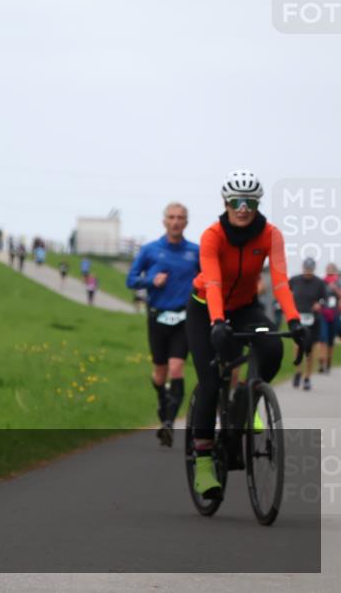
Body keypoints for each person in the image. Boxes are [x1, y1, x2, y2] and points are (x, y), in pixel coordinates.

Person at [185, 169, 303, 500]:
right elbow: (213, 282)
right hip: (204, 306)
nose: (242, 208)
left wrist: (294, 321)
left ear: (257, 204)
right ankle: (205, 461)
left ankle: (248, 399)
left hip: (246, 307)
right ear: (226, 203)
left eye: (249, 202)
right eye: (236, 201)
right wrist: (217, 321)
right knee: (210, 382)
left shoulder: (270, 235)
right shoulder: (212, 235)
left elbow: (279, 281)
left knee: (271, 348)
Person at [125, 202, 199, 447]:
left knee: (177, 369)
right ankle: (162, 399)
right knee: (159, 373)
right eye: (171, 217)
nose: (176, 221)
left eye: (180, 217)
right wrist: (150, 281)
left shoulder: (195, 252)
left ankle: (168, 423)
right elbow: (131, 280)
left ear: (186, 222)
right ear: (164, 221)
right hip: (158, 317)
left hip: (184, 318)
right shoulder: (150, 250)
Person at [288, 258, 329, 390]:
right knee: (297, 345)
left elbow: (326, 299)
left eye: (310, 270)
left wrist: (320, 304)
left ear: (313, 269)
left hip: (313, 319)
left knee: (309, 349)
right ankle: (298, 372)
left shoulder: (319, 283)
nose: (308, 272)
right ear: (303, 268)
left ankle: (307, 377)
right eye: (306, 270)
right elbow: (285, 292)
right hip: (298, 317)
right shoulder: (294, 280)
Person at [325, 263, 340, 373]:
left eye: (331, 269)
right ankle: (322, 361)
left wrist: (335, 288)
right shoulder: (322, 281)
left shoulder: (338, 282)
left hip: (335, 313)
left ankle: (329, 361)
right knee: (323, 338)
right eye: (328, 269)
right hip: (324, 313)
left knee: (331, 339)